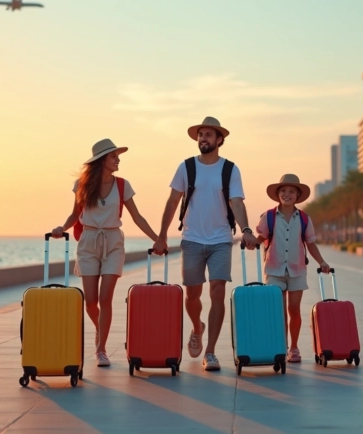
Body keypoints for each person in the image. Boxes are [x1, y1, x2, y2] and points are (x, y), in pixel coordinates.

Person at [152, 116, 258, 371]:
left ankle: (209, 352)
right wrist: (162, 235)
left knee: (217, 290)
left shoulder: (230, 169)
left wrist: (245, 229)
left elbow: (237, 202)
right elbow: (172, 202)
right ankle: (197, 326)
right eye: (201, 135)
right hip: (191, 239)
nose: (203, 139)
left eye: (209, 135)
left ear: (220, 140)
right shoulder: (186, 167)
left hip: (221, 239)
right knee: (192, 295)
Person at [51, 138, 159, 367]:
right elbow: (74, 215)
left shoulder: (122, 185)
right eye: (113, 156)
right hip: (89, 241)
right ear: (102, 160)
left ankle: (101, 349)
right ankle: (100, 329)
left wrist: (157, 238)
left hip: (113, 242)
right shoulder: (81, 185)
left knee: (105, 298)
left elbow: (137, 217)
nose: (118, 159)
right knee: (90, 301)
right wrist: (62, 227)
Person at [255, 174, 330, 363]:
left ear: (297, 195)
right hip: (273, 270)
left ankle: (294, 347)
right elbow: (260, 237)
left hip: (296, 270)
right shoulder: (269, 217)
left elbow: (310, 243)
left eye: (291, 192)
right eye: (283, 191)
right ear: (278, 194)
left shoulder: (304, 218)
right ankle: (282, 346)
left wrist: (322, 262)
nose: (287, 194)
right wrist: (251, 242)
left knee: (294, 311)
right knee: (278, 311)